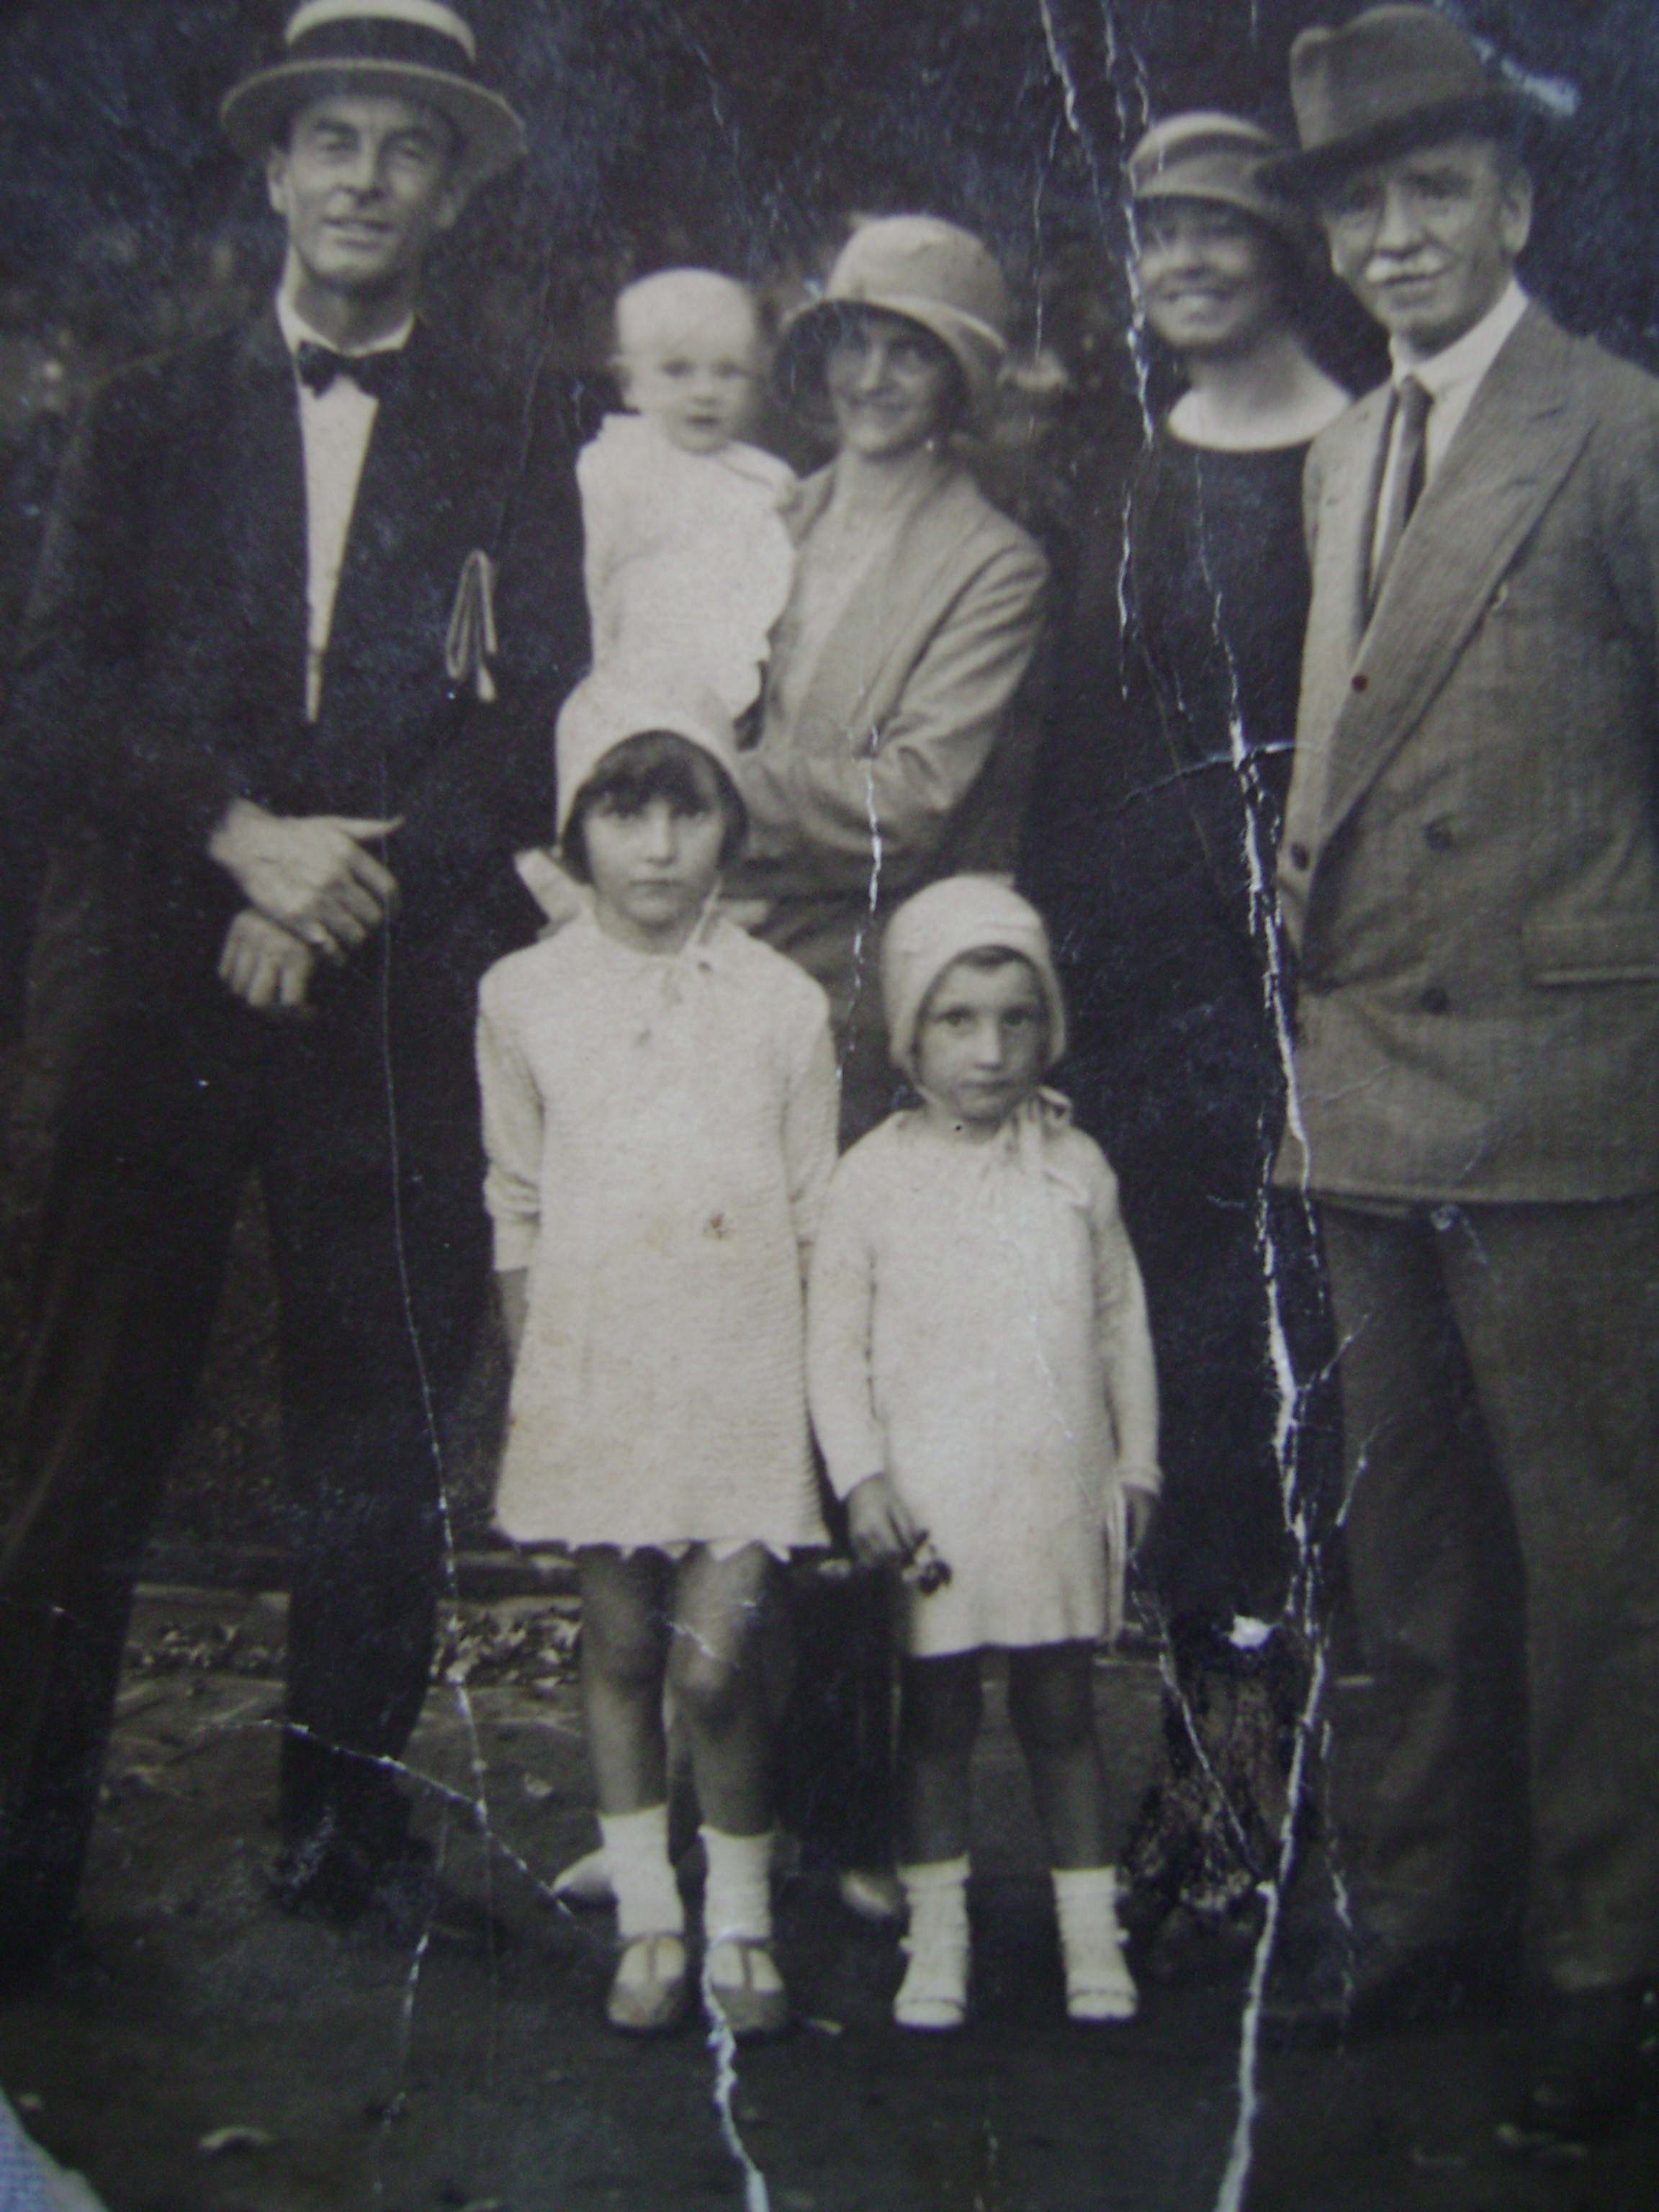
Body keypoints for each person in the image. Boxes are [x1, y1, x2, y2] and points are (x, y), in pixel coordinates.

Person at [0, 0, 589, 1977]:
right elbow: (55, 685)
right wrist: (241, 839)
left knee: (377, 1425)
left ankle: (345, 1836)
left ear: (454, 191)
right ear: (273, 171)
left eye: (408, 147)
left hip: (392, 978)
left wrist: (338, 887)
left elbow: (534, 717)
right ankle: (20, 1857)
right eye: (332, 139)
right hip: (154, 977)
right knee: (90, 1419)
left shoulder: (513, 424)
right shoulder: (146, 409)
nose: (365, 178)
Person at [1265, 5, 1659, 2141]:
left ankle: (1607, 1965)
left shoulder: (1624, 433)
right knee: (1402, 1537)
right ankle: (1426, 1918)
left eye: (1435, 190)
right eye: (1359, 206)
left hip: (1570, 1088)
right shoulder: (1346, 449)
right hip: (1370, 1076)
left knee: (1599, 1570)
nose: (1396, 236)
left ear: (1516, 200)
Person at [1043, 115, 1349, 1962]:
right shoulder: (1132, 467)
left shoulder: (1356, 453)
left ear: (1285, 250)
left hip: (1300, 994)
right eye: (1158, 233)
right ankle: (1197, 1784)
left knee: (1280, 1389)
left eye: (1221, 232)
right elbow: (1082, 745)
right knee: (1174, 1385)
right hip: (1144, 1000)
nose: (1186, 263)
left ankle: (1282, 1805)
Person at [726, 215, 1050, 1915]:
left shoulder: (991, 561)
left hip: (847, 1004)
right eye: (851, 340)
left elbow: (912, 798)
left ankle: (845, 1814)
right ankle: (721, 1793)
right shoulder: (756, 511)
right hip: (706, 987)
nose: (871, 375)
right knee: (718, 1383)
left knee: (847, 1399)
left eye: (911, 351)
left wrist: (687, 794)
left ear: (959, 384)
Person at [477, 669, 838, 2038]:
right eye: (623, 815)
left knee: (714, 1666)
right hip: (597, 1376)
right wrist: (539, 1381)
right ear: (576, 829)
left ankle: (740, 1918)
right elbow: (517, 1203)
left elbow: (815, 1216)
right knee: (623, 1650)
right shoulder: (522, 997)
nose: (657, 848)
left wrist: (826, 1411)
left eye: (687, 813)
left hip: (743, 1381)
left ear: (728, 827)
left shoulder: (782, 1005)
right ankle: (650, 1918)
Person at [806, 876, 1159, 2030]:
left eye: (1017, 1020)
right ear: (908, 1034)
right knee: (938, 1719)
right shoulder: (872, 1178)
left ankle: (1088, 1933)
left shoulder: (1077, 1167)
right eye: (957, 1021)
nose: (991, 1051)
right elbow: (835, 1350)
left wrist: (1137, 1466)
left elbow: (1121, 1324)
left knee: (1062, 1712)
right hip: (935, 1501)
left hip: (1051, 1489)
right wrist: (861, 1478)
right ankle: (938, 1936)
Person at [578, 267, 794, 724]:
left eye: (728, 373)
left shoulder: (763, 483)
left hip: (732, 706)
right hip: (624, 697)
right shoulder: (613, 469)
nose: (705, 392)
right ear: (628, 384)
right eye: (677, 370)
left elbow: (773, 593)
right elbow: (591, 587)